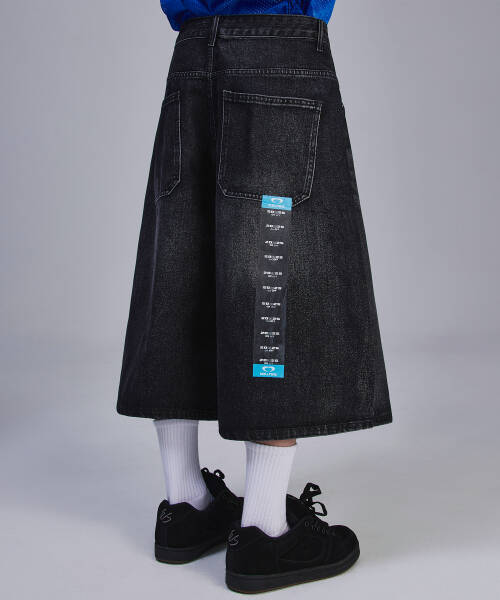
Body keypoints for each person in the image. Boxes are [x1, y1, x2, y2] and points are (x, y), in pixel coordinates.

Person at [117, 0, 392, 593]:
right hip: (279, 48)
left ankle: (185, 504)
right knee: (275, 275)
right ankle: (265, 529)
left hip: (192, 53)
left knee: (181, 267)